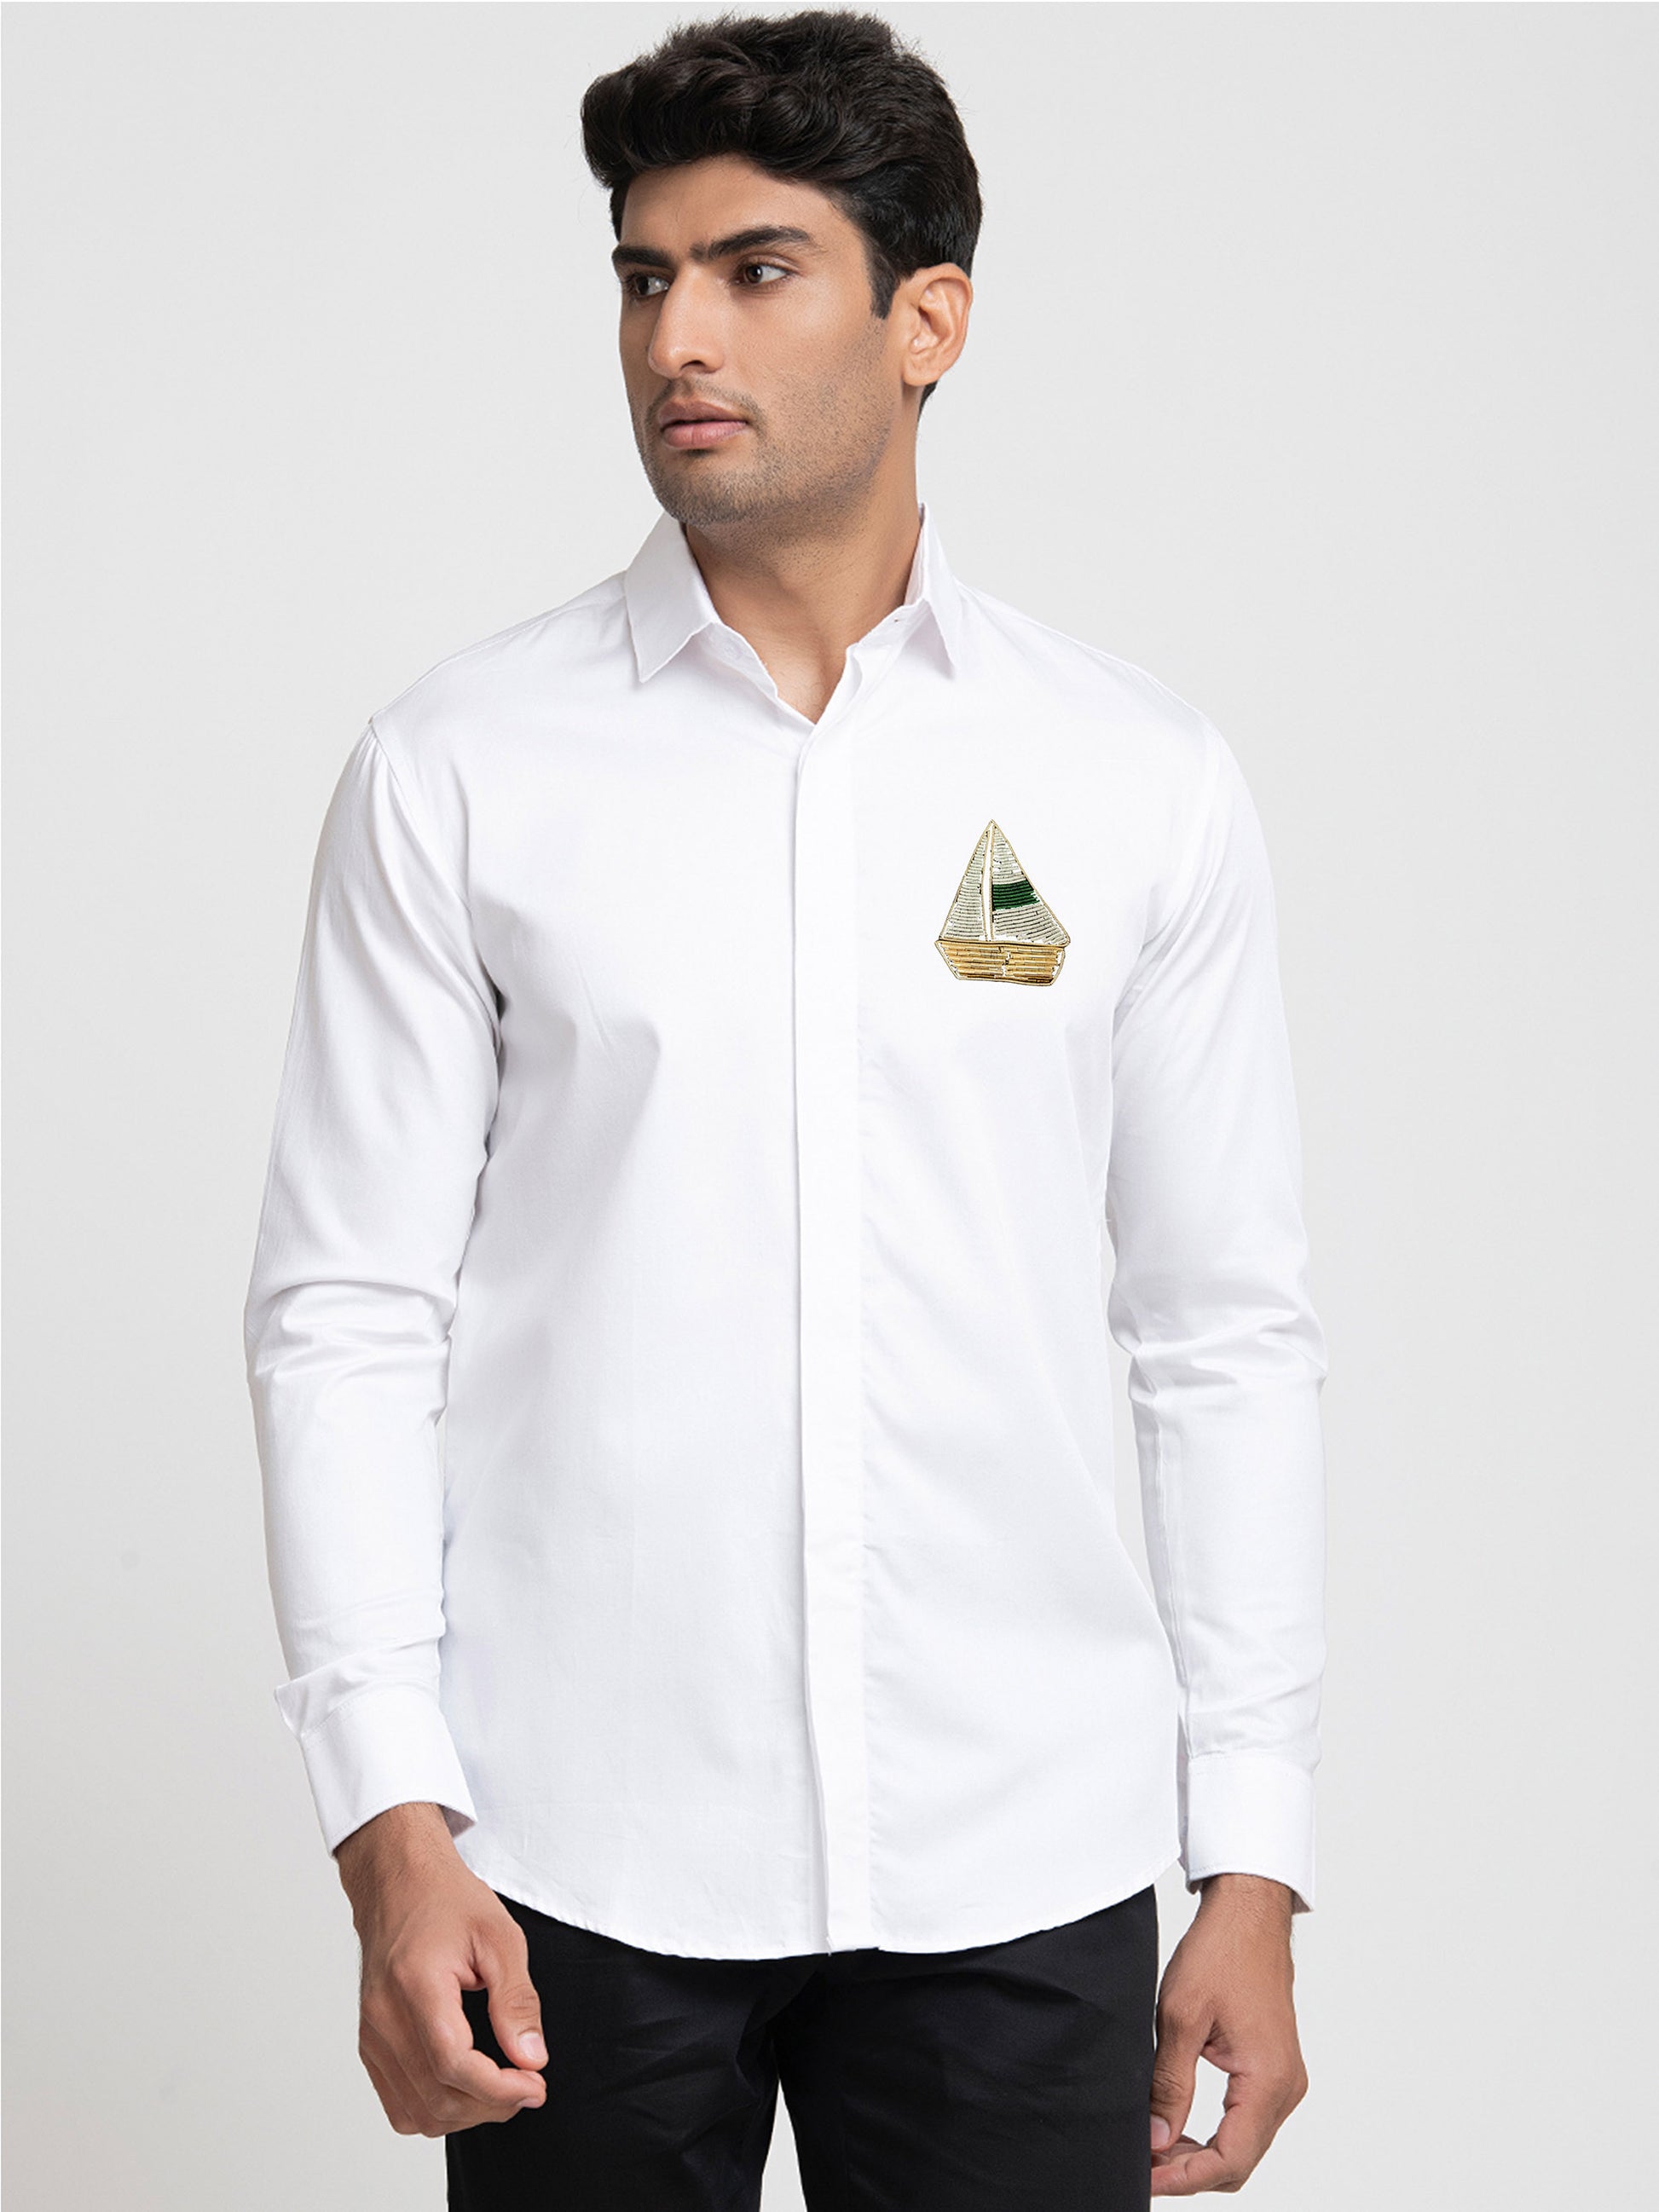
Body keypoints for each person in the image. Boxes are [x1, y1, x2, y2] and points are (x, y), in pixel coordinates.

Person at [243, 10, 1327, 2206]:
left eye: (757, 272)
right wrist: (392, 1823)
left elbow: (1220, 1332)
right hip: (576, 1861)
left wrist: (1254, 1856)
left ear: (929, 321)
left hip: (1021, 1854)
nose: (678, 339)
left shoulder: (1133, 779)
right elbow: (344, 1313)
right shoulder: (462, 768)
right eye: (645, 278)